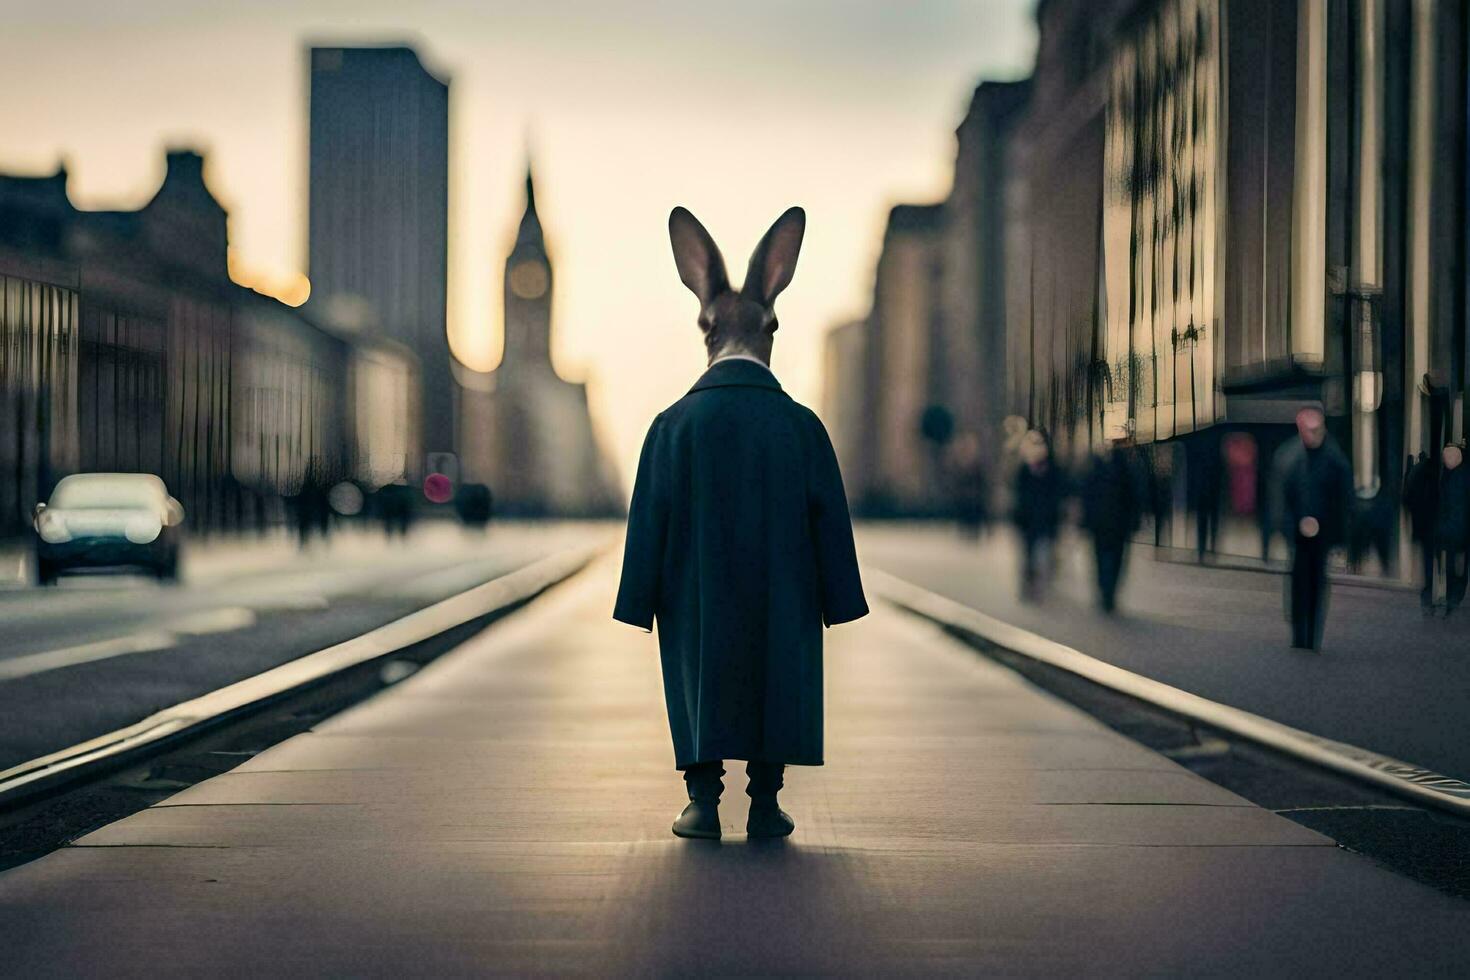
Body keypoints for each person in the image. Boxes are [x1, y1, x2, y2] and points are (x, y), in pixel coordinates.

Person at [614, 206, 867, 841]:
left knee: (696, 676)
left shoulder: (670, 427)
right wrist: (838, 599)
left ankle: (701, 802)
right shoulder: (802, 426)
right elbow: (830, 523)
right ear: (769, 329)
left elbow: (648, 521)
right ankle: (764, 802)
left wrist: (638, 598)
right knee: (777, 674)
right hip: (783, 593)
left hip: (691, 595)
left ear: (706, 329)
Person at [1271, 407, 1353, 650]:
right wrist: (1286, 527)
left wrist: (1340, 536)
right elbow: (1281, 498)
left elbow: (1343, 500)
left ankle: (1312, 635)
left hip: (1323, 532)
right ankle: (1299, 634)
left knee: (1317, 582)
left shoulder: (1334, 459)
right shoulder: (1290, 456)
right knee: (1299, 581)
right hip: (1297, 532)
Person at [1082, 436, 1143, 613]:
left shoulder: (1097, 468)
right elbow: (1135, 498)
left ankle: (1105, 591)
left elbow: (1088, 496)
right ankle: (1109, 593)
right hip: (1117, 525)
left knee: (1101, 559)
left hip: (1103, 524)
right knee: (1114, 560)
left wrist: (1087, 520)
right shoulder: (1127, 470)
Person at [1012, 429, 1066, 602]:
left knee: (1045, 555)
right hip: (1028, 521)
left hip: (1047, 520)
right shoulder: (1023, 470)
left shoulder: (1053, 469)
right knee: (1029, 556)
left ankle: (1041, 585)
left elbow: (1060, 493)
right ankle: (1029, 586)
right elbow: (1018, 495)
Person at [1403, 451, 1439, 612]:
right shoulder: (1432, 476)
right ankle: (1431, 596)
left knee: (1428, 562)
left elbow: (1407, 499)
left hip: (1422, 525)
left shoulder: (1414, 473)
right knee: (1432, 561)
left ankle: (1428, 597)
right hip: (1432, 525)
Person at [1435, 444, 1468, 616]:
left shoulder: (1454, 476)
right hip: (1453, 530)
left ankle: (1454, 598)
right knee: (1454, 567)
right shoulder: (1450, 475)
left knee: (1457, 567)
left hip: (1458, 531)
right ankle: (1452, 598)